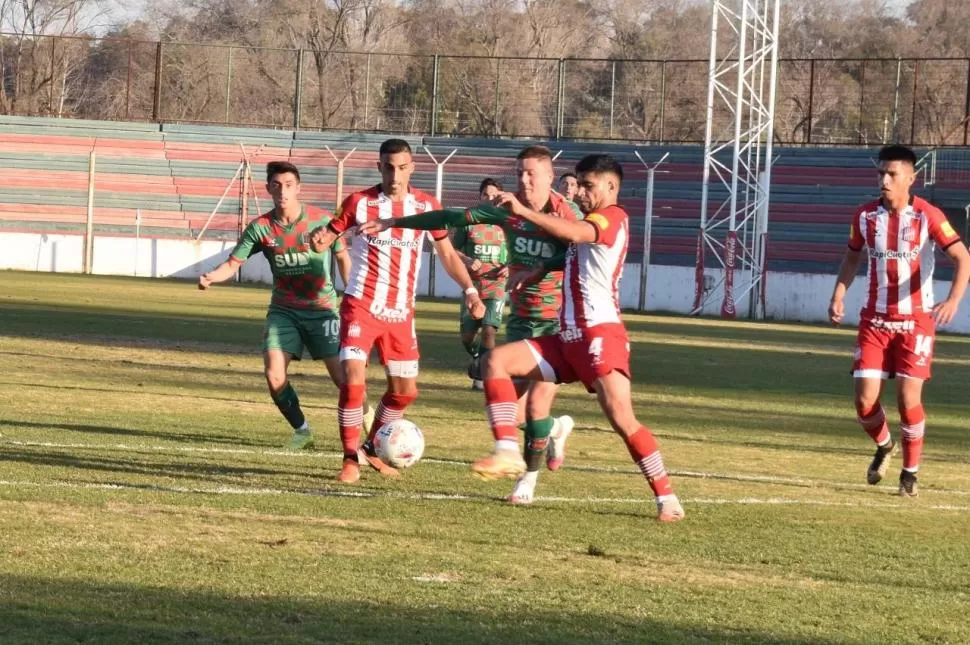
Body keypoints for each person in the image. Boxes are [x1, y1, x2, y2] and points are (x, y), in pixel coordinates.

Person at [360, 145, 581, 477]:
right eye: (519, 171)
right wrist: (395, 221)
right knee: (513, 413)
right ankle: (555, 430)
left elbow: (582, 249)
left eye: (531, 173)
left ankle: (524, 485)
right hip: (522, 317)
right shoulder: (506, 209)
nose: (523, 179)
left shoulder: (567, 214)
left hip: (559, 320)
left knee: (536, 405)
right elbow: (450, 217)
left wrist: (541, 269)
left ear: (550, 176)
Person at [309, 138, 485, 484]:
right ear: (379, 167)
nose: (395, 174)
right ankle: (349, 459)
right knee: (353, 379)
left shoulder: (425, 206)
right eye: (388, 167)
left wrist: (470, 290)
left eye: (402, 167)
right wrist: (319, 238)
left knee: (405, 391)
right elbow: (328, 234)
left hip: (401, 312)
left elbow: (448, 254)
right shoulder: (359, 203)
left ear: (412, 168)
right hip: (361, 304)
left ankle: (371, 449)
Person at [828, 144, 970, 497]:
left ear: (911, 177)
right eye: (880, 173)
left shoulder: (928, 216)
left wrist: (953, 299)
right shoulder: (864, 216)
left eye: (892, 174)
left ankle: (910, 473)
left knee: (908, 400)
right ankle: (885, 445)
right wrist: (839, 293)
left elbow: (962, 257)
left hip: (916, 322)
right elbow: (851, 258)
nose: (884, 180)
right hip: (874, 321)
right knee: (864, 403)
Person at [198, 161, 359, 451]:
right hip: (283, 311)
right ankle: (302, 431)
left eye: (288, 185)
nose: (282, 191)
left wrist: (352, 292)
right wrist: (213, 276)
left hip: (322, 310)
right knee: (274, 375)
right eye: (276, 186)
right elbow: (233, 263)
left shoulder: (321, 221)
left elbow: (343, 258)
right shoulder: (260, 228)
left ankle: (370, 425)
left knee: (344, 379)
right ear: (269, 188)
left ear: (298, 188)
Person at [452, 178, 508, 390]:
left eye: (494, 195)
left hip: (497, 285)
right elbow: (452, 250)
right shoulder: (469, 220)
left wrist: (510, 265)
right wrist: (466, 260)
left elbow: (518, 252)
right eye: (486, 194)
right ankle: (478, 357)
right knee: (467, 337)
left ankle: (484, 377)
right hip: (472, 287)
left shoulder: (508, 221)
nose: (490, 198)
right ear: (480, 197)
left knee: (489, 330)